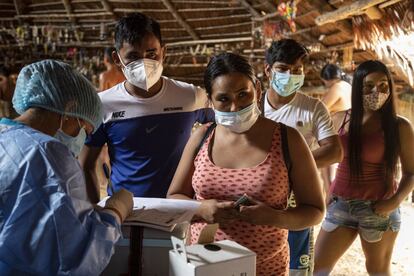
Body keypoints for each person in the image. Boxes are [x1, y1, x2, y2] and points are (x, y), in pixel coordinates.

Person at [167, 53, 325, 276]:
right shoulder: (202, 138)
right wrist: (201, 209)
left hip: (266, 269)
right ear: (210, 100)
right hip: (206, 266)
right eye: (223, 99)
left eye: (243, 95)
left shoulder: (288, 140)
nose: (235, 107)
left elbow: (315, 211)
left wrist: (274, 217)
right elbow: (173, 196)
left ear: (257, 89)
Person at [0, 60, 133, 275]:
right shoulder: (49, 153)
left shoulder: (5, 137)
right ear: (69, 109)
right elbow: (78, 259)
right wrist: (115, 211)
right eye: (85, 130)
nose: (84, 139)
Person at [79, 13, 213, 203]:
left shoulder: (191, 97)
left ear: (163, 53)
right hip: (124, 211)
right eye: (133, 56)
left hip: (179, 208)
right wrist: (96, 213)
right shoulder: (102, 105)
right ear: (117, 59)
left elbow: (225, 130)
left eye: (152, 54)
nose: (144, 63)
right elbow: (86, 164)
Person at [314, 60, 414, 276]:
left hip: (379, 209)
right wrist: (329, 187)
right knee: (317, 269)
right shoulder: (341, 119)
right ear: (358, 87)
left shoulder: (399, 126)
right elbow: (328, 156)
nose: (376, 92)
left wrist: (393, 202)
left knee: (377, 271)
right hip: (339, 205)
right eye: (369, 86)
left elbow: (411, 173)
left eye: (383, 86)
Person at [262, 39, 343, 276]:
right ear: (268, 70)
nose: (290, 75)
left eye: (296, 70)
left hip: (298, 203)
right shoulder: (253, 106)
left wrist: (292, 167)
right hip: (259, 199)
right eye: (283, 69)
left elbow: (334, 150)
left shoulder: (313, 107)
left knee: (296, 267)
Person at [320, 64, 352, 195]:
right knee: (334, 170)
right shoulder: (348, 86)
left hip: (337, 132)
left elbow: (320, 108)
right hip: (346, 131)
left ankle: (330, 200)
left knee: (328, 172)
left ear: (326, 79)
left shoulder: (337, 87)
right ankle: (332, 199)